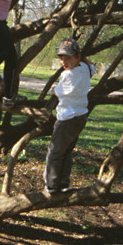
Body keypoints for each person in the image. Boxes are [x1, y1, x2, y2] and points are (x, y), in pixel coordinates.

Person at [44, 38, 94, 194]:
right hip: (80, 117)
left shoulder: (68, 75)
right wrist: (82, 57)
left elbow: (59, 91)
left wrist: (53, 90)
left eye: (68, 58)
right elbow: (92, 67)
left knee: (55, 151)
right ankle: (64, 182)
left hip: (67, 118)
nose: (64, 62)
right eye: (61, 58)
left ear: (77, 57)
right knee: (67, 150)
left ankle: (51, 184)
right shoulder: (85, 68)